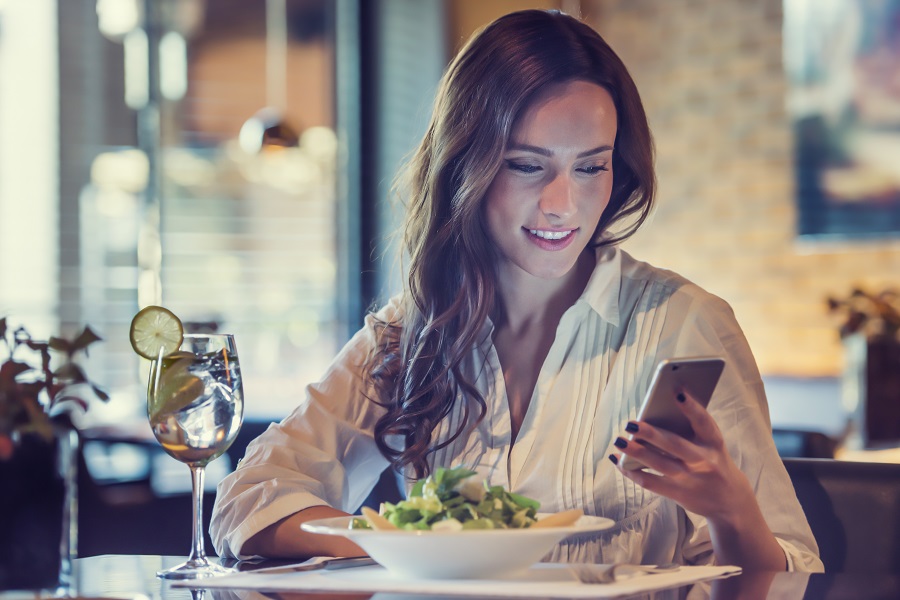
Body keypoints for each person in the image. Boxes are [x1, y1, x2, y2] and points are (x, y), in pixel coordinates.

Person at [210, 9, 824, 572]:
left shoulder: (683, 323)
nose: (563, 205)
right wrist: (410, 540)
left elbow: (788, 566)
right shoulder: (414, 331)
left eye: (591, 166)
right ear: (464, 166)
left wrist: (731, 510)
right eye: (527, 165)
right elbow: (250, 497)